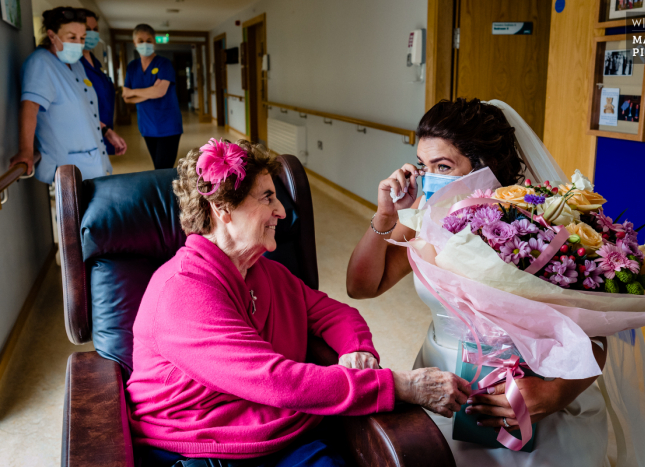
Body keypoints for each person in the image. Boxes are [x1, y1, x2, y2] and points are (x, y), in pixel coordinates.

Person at [126, 138, 472, 466]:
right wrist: (401, 386)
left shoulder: (264, 272)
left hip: (281, 435)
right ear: (221, 209)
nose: (281, 211)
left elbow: (336, 313)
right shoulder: (182, 291)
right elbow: (276, 381)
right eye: (266, 198)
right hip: (205, 449)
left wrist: (357, 349)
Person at [346, 98, 611, 466]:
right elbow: (362, 286)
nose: (429, 177)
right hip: (442, 381)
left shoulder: (537, 224)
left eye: (443, 166)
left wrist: (554, 396)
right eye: (423, 165)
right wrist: (386, 214)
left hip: (523, 391)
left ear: (484, 165)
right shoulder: (424, 213)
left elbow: (596, 331)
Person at [9, 7, 125, 183]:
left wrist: (107, 131)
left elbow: (84, 110)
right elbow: (30, 107)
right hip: (68, 167)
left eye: (82, 38)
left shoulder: (76, 64)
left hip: (92, 161)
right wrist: (26, 151)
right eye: (72, 37)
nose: (78, 43)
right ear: (51, 35)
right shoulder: (41, 64)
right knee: (76, 210)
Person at [123, 23, 183, 170]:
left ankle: (167, 193)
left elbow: (160, 92)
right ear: (135, 43)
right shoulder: (132, 67)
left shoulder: (164, 64)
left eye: (149, 40)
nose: (145, 44)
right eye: (141, 40)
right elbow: (126, 97)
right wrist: (150, 91)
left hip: (168, 125)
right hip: (146, 125)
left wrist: (134, 91)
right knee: (158, 166)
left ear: (154, 42)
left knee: (163, 169)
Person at [78, 8, 124, 156]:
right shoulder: (73, 65)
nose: (91, 33)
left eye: (95, 29)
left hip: (102, 134)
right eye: (87, 29)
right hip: (85, 137)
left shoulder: (96, 64)